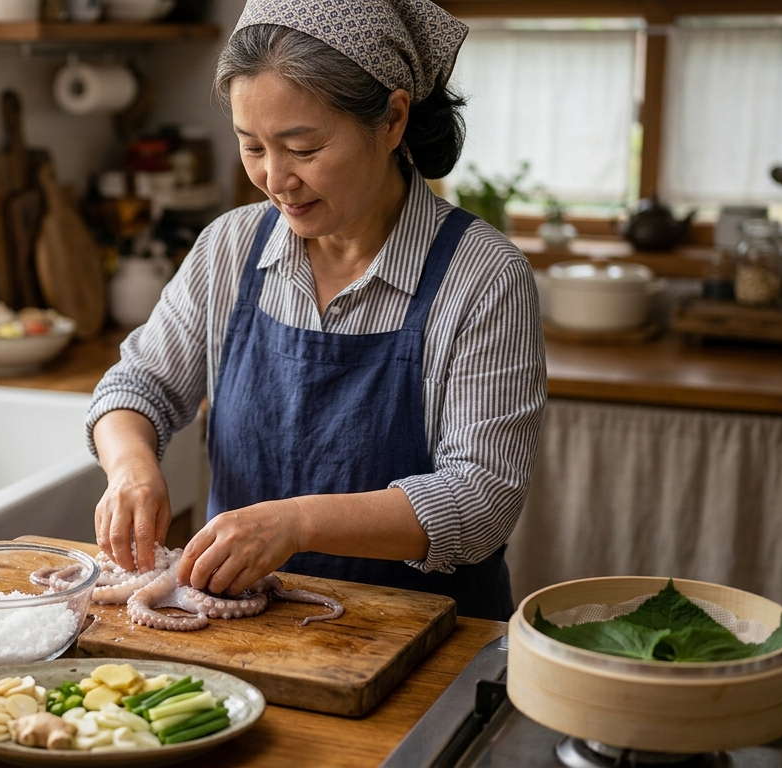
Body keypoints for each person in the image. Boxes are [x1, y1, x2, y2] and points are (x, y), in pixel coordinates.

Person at [86, 0, 546, 621]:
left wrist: (297, 522)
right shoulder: (230, 248)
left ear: (391, 120)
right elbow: (138, 384)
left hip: (426, 645)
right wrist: (131, 468)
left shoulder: (484, 278)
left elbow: (480, 499)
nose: (276, 179)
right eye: (252, 147)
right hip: (245, 638)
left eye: (303, 148)